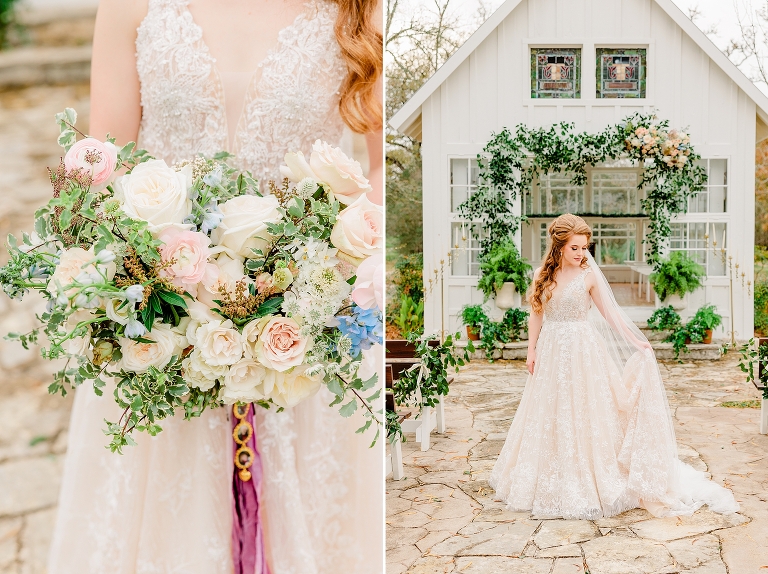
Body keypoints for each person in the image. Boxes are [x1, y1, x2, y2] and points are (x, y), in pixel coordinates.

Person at [47, 1, 383, 572]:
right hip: (163, 331)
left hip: (309, 332)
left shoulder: (360, 12)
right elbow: (106, 163)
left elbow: (379, 168)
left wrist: (331, 270)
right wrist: (154, 276)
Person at [489, 214, 739, 520]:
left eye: (584, 247)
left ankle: (591, 475)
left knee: (586, 410)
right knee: (548, 410)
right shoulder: (542, 274)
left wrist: (636, 341)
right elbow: (537, 313)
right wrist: (531, 350)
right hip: (551, 349)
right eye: (574, 248)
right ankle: (547, 476)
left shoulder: (588, 276)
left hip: (582, 350)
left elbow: (610, 313)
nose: (581, 253)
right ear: (559, 246)